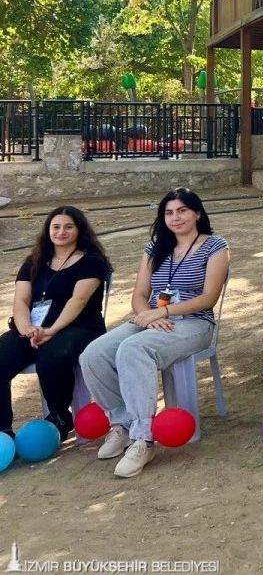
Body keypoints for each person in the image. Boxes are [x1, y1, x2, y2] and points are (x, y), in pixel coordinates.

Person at [80, 188, 229, 478]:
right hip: (151, 320)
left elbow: (208, 298)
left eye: (182, 210)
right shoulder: (154, 249)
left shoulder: (215, 246)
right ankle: (122, 423)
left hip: (194, 323)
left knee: (134, 349)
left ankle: (144, 439)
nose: (176, 218)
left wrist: (164, 312)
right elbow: (139, 295)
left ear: (197, 213)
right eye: (169, 213)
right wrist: (148, 317)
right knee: (93, 354)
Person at [0, 207, 111, 441]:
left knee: (51, 357)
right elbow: (21, 301)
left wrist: (52, 330)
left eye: (69, 227)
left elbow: (78, 300)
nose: (61, 232)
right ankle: (3, 430)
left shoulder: (91, 261)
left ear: (79, 230)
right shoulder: (34, 261)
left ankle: (59, 416)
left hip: (79, 327)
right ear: (48, 230)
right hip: (34, 329)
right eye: (56, 227)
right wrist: (26, 329)